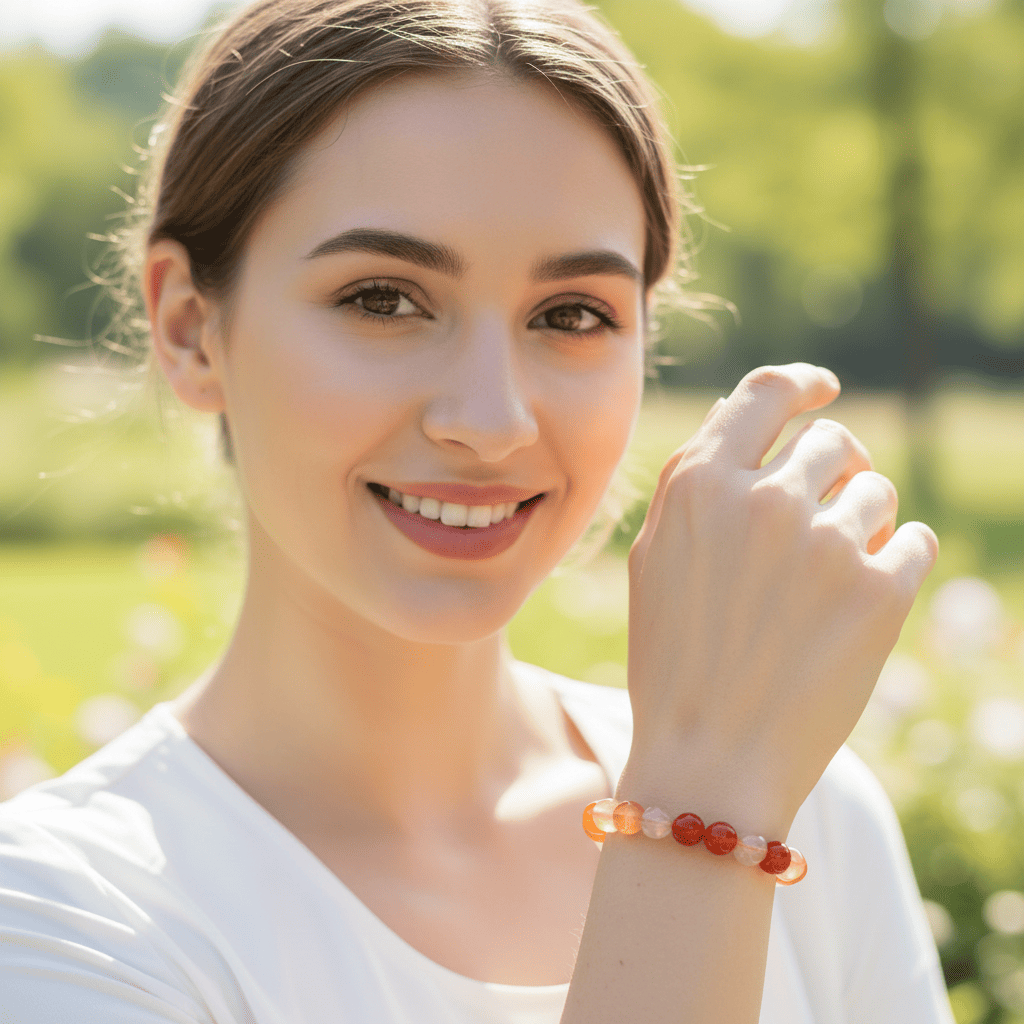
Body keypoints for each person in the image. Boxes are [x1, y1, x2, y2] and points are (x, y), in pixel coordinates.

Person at [0, 0, 953, 1021]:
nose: (490, 420)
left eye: (571, 314)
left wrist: (718, 790)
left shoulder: (809, 814)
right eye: (382, 297)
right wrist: (696, 817)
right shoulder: (64, 917)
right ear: (190, 329)